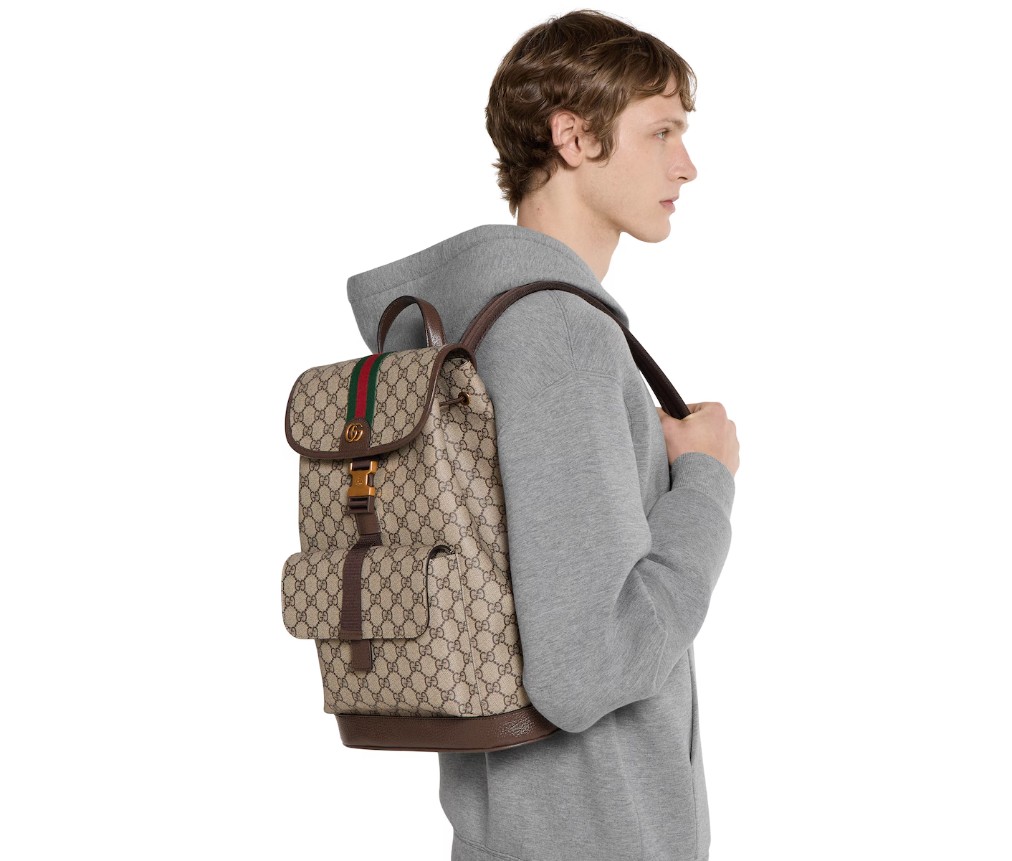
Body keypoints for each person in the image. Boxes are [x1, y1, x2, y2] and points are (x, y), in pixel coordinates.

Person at [346, 10, 738, 861]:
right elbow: (588, 668)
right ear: (574, 136)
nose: (686, 164)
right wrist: (707, 479)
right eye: (662, 131)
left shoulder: (473, 327)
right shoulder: (558, 336)